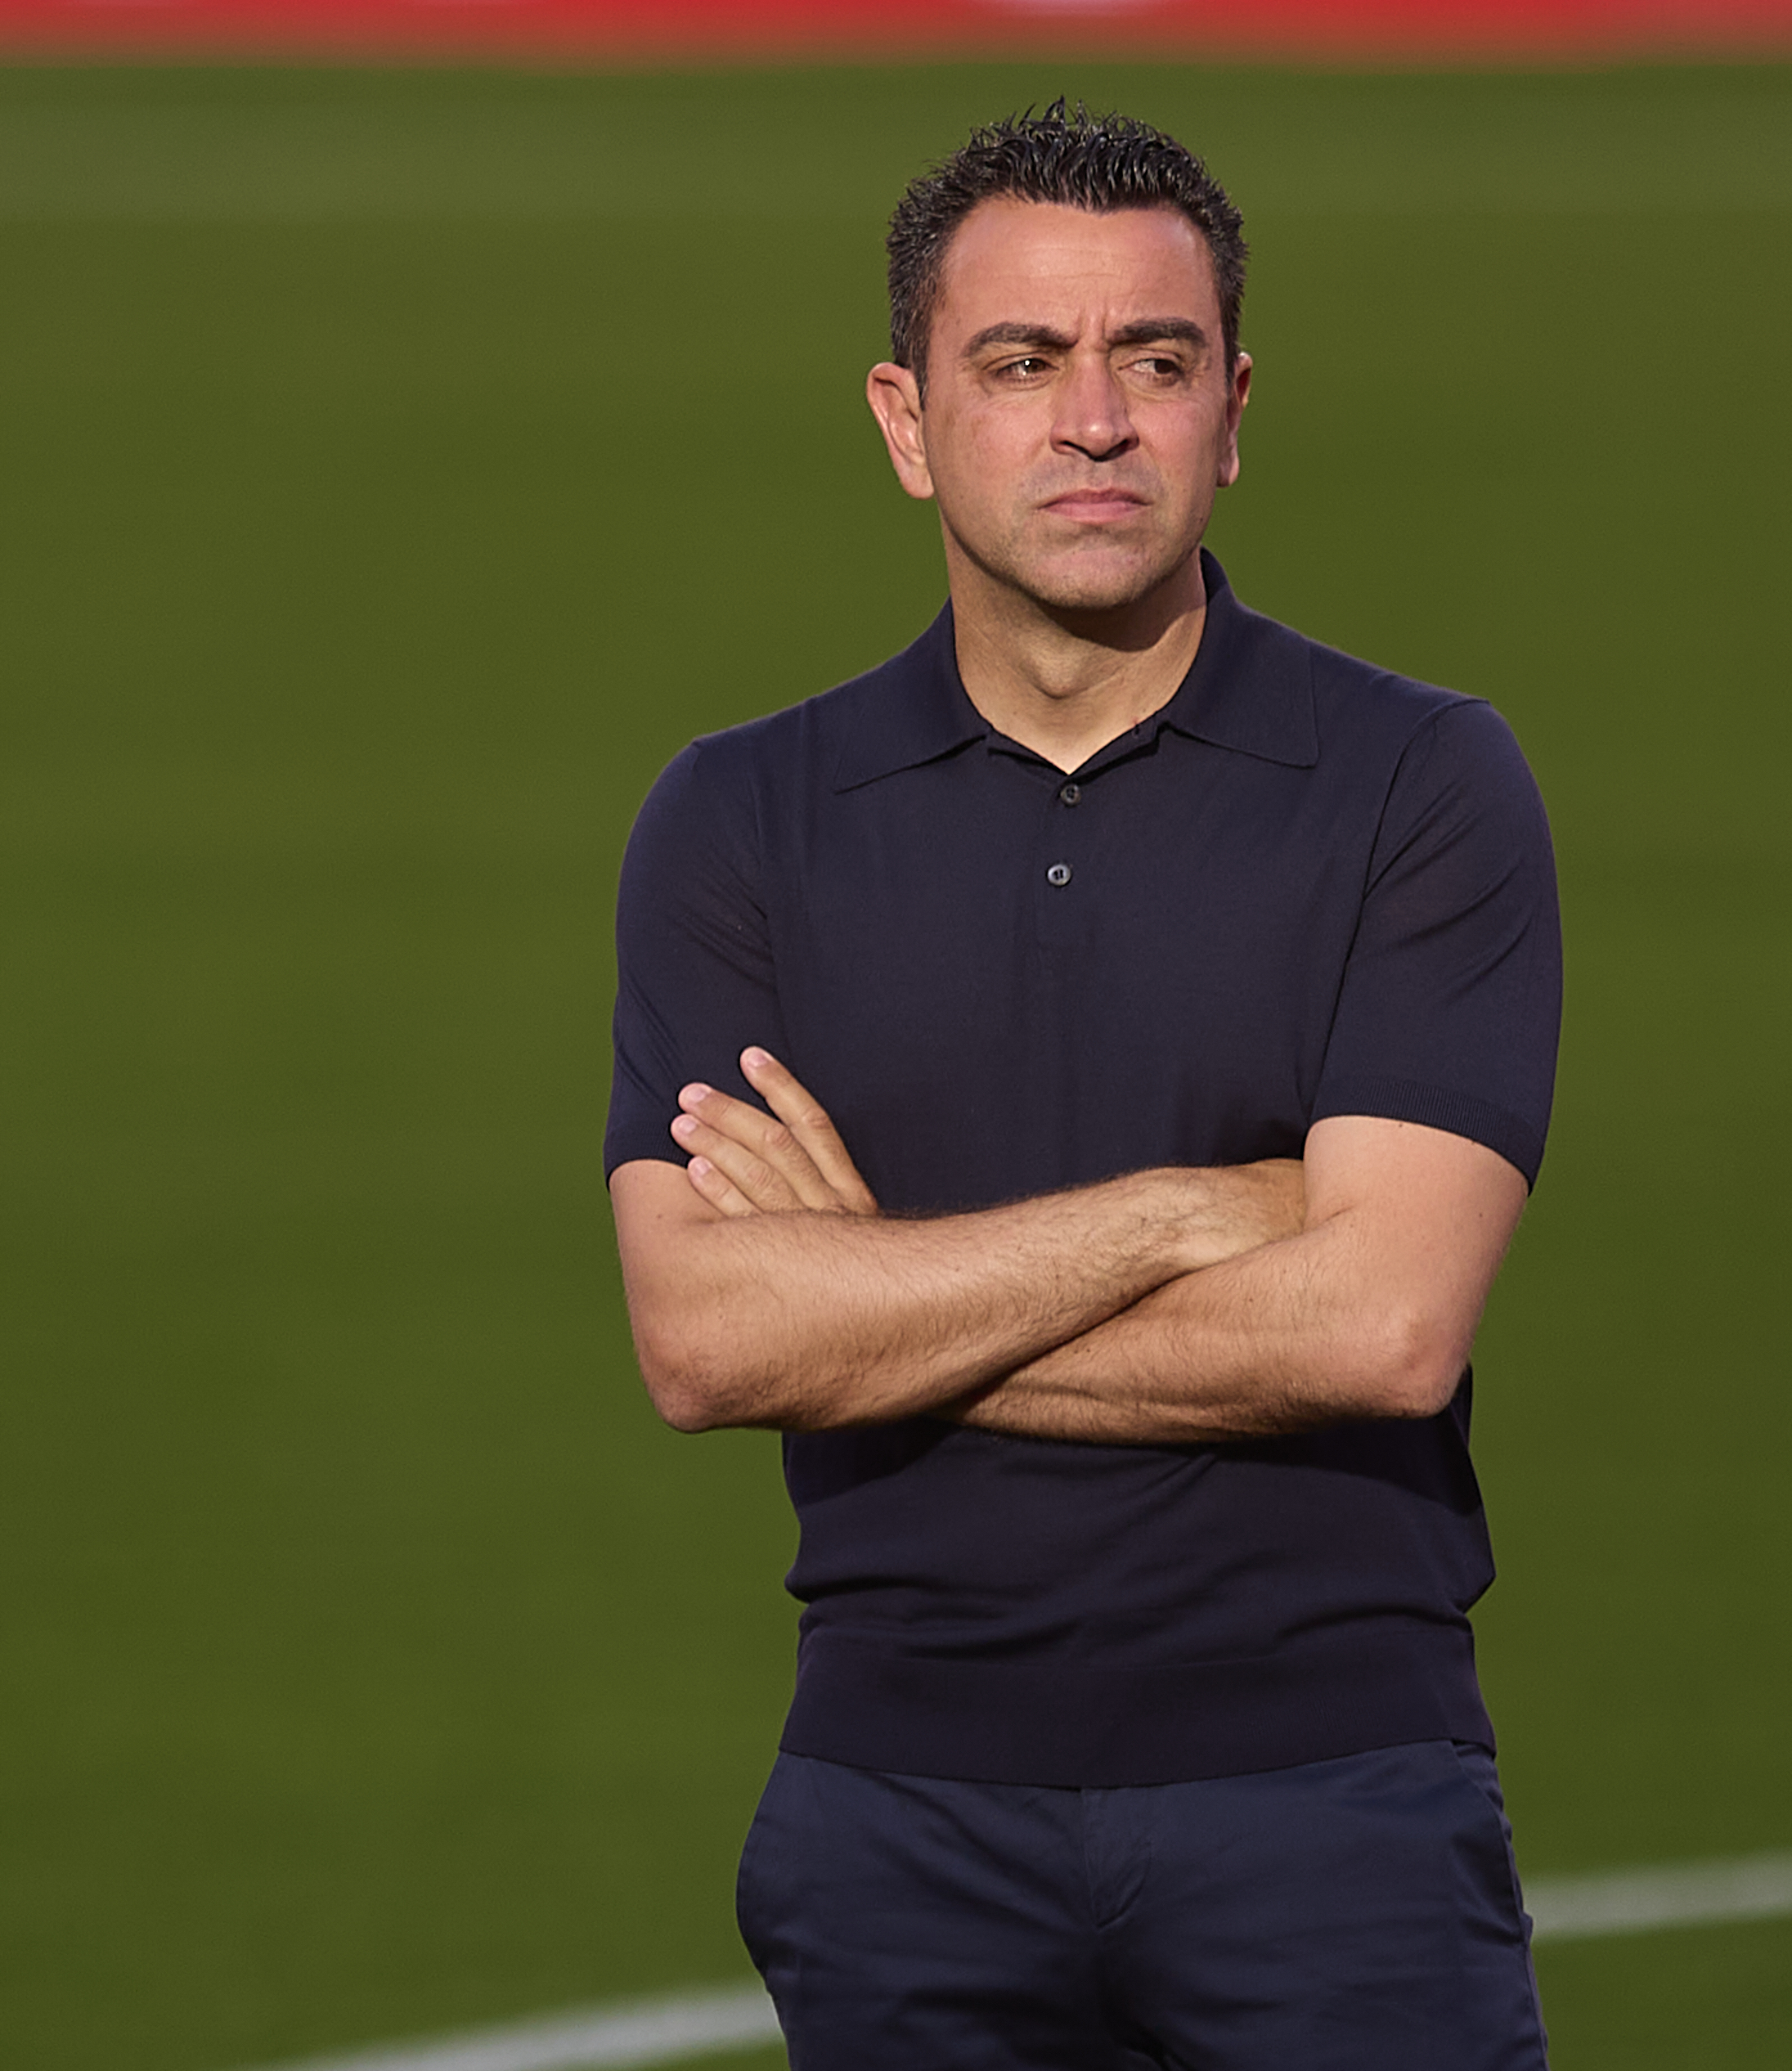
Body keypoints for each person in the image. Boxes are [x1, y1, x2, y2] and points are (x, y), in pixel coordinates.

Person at [604, 101, 1560, 2069]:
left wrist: (871, 1294)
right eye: (1019, 363)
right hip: (895, 1815)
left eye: (1154, 359)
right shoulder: (739, 821)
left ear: (1231, 411)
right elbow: (703, 1339)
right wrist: (1188, 1209)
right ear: (903, 417)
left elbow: (1382, 1324)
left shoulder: (1419, 785)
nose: (1092, 418)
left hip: (1331, 1810)